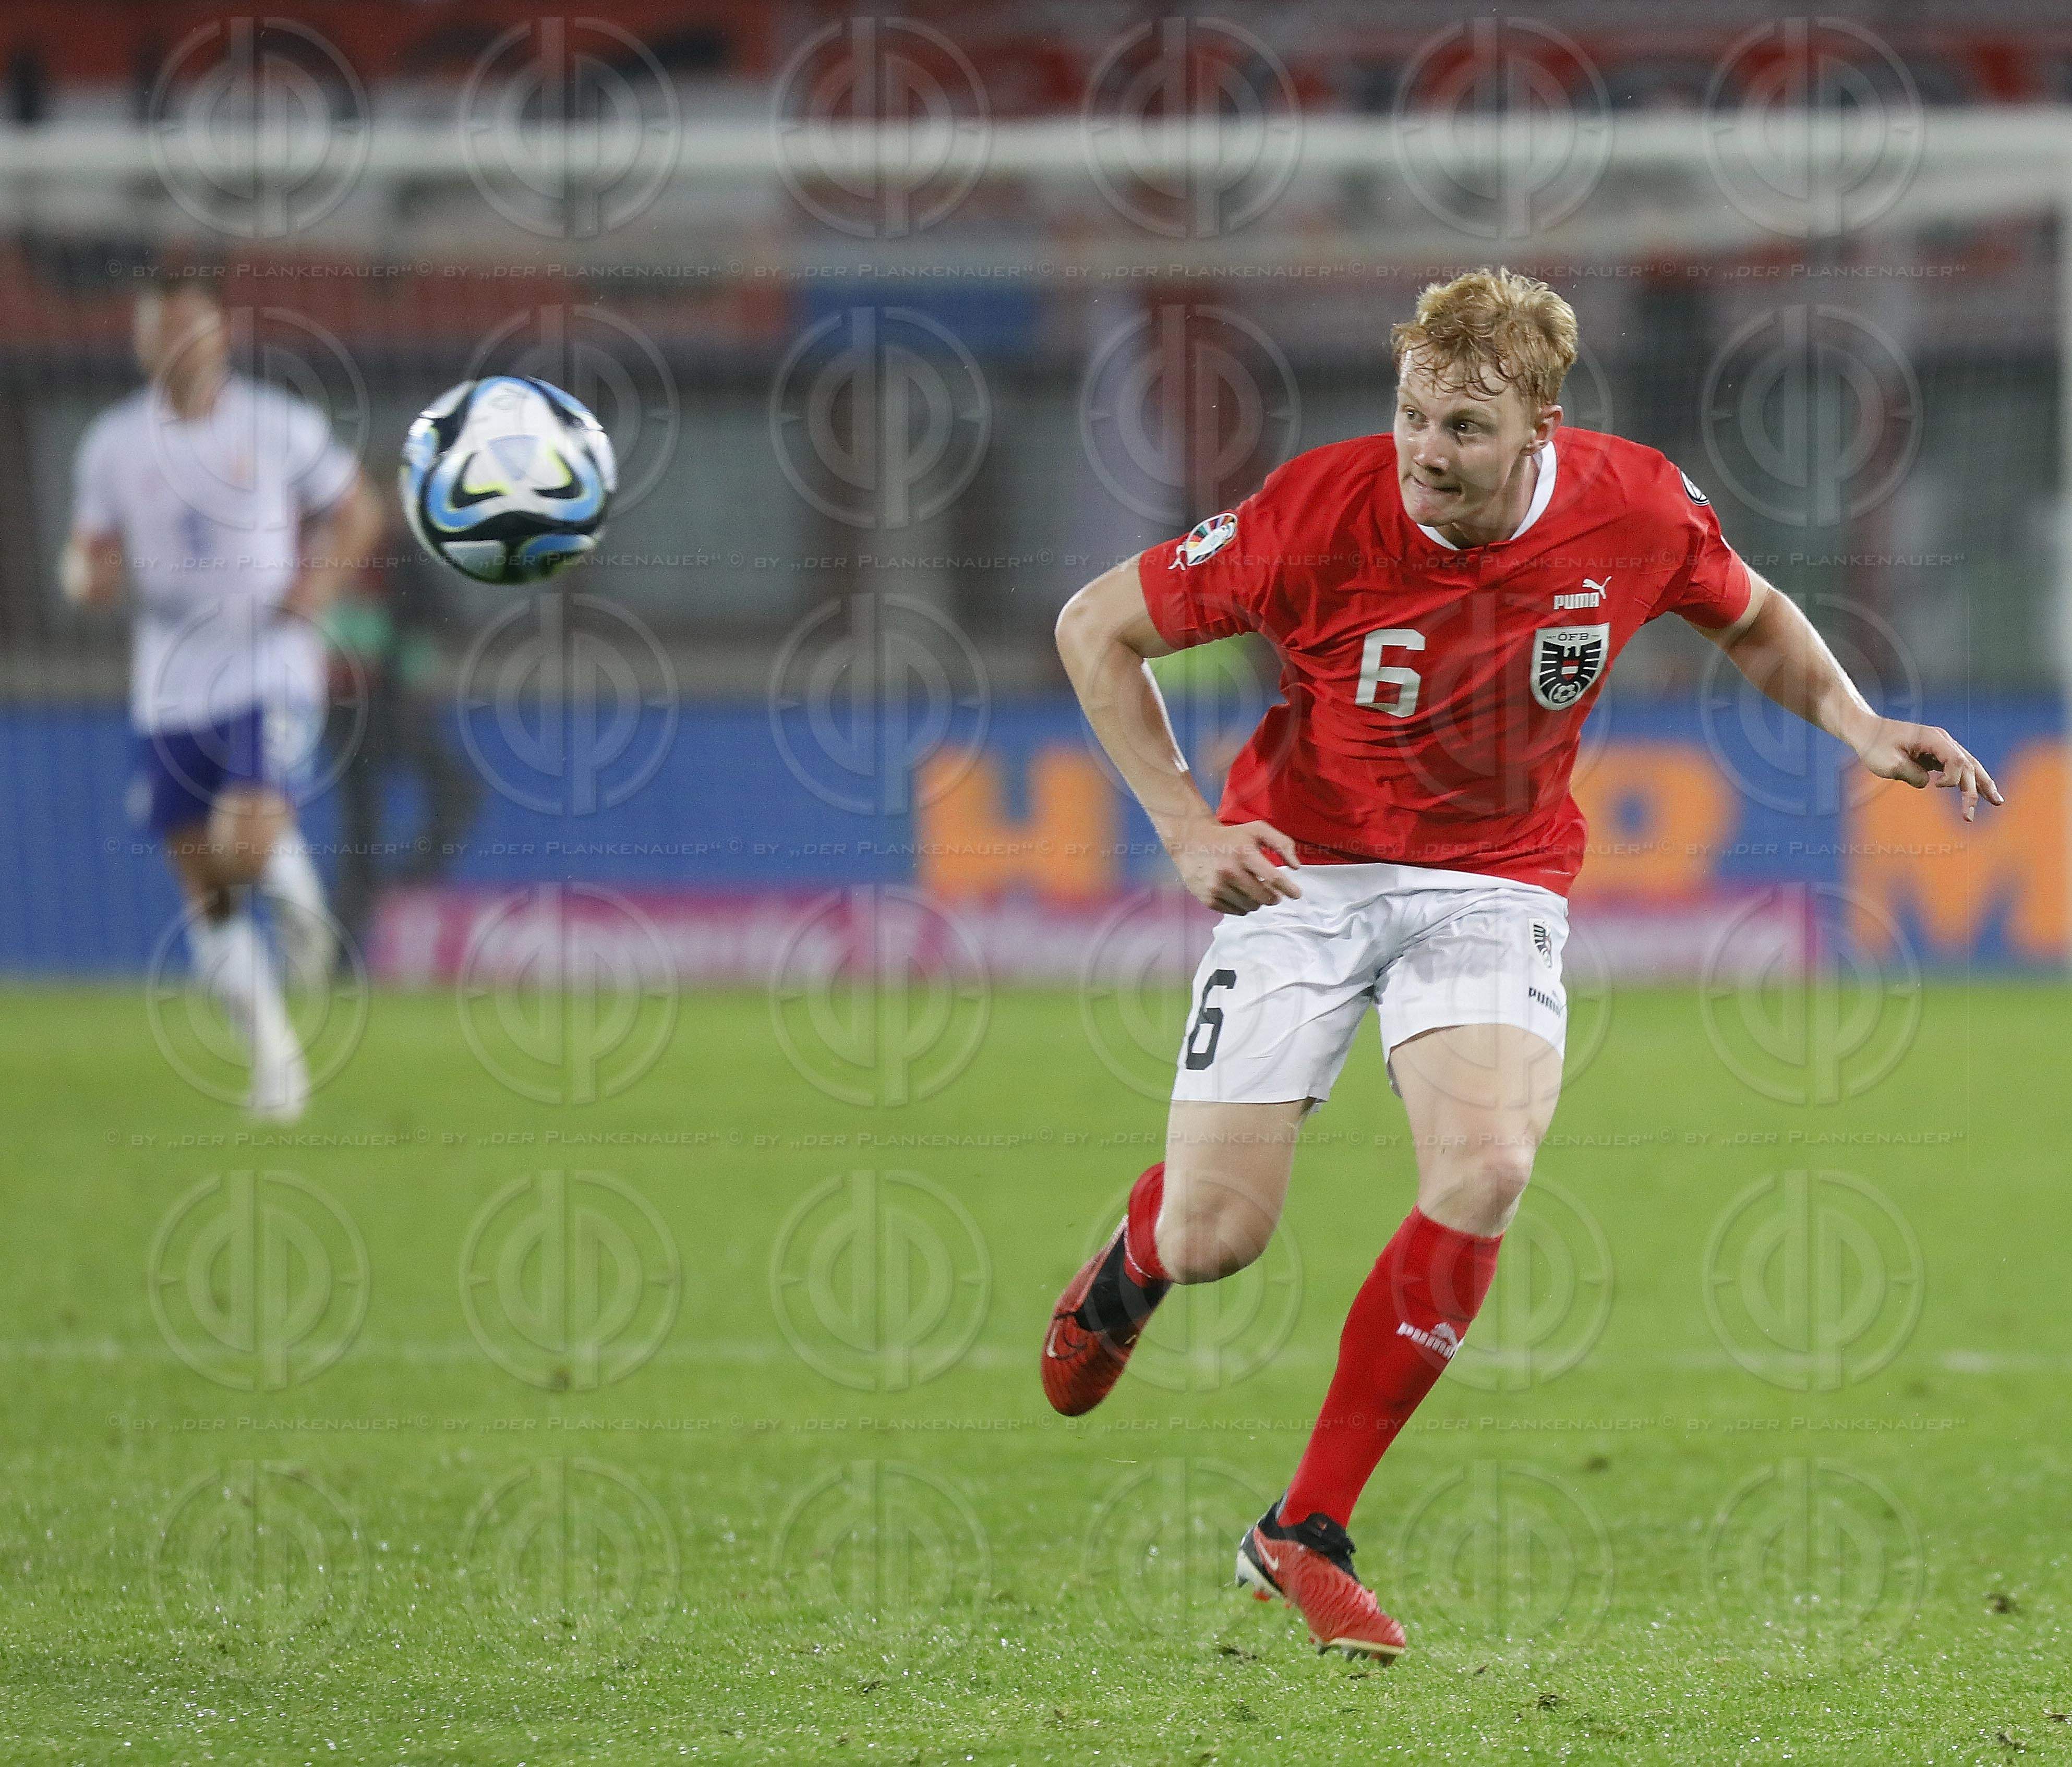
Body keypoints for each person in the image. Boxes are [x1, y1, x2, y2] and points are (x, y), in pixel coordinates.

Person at [1041, 268, 2001, 1660]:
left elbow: (1744, 608)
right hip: (1301, 874)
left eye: (1465, 429)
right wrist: (1185, 826)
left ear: (1542, 424)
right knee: (1216, 1236)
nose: (1427, 451)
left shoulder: (1635, 505)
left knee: (1487, 1167)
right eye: (1413, 416)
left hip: (1492, 882)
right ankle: (1140, 1252)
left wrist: (1856, 727)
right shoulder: (1315, 512)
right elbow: (1093, 626)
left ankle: (1302, 1527)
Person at [63, 268, 383, 1120]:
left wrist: (315, 592)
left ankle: (300, 895)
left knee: (245, 830)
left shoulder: (277, 424)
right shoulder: (112, 444)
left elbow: (358, 511)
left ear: (220, 338)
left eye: (194, 329)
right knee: (208, 894)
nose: (181, 345)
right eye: (164, 330)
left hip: (267, 661)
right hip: (168, 679)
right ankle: (277, 1065)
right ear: (141, 344)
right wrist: (91, 580)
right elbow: (92, 560)